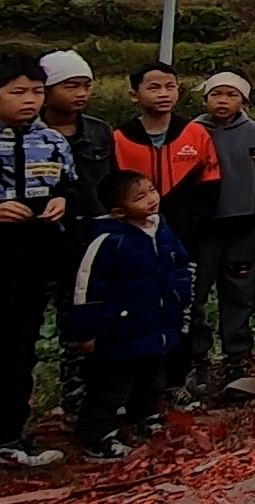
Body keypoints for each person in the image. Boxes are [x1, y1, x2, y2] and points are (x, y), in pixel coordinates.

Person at [114, 62, 221, 403]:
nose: (163, 94)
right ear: (135, 94)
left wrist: (192, 224)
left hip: (183, 240)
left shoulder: (195, 134)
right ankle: (136, 391)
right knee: (138, 310)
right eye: (154, 87)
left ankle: (176, 381)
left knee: (184, 308)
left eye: (170, 87)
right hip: (131, 240)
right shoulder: (119, 139)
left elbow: (210, 185)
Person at [66, 171, 192, 460]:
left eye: (152, 191)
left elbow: (180, 265)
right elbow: (86, 289)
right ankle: (97, 436)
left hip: (158, 321)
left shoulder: (162, 227)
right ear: (117, 210)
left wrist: (181, 300)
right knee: (112, 385)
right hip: (120, 328)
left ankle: (145, 416)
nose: (151, 200)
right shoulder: (108, 240)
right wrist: (85, 332)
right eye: (140, 197)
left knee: (152, 376)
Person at [0, 54, 78, 469]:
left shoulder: (51, 140)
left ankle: (10, 437)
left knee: (20, 348)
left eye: (35, 92)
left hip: (34, 256)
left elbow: (69, 184)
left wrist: (63, 199)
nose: (29, 100)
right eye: (17, 92)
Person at [39, 49, 115, 421]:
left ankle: (80, 399)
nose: (80, 93)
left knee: (83, 322)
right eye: (70, 86)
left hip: (91, 236)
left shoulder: (100, 131)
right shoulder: (23, 134)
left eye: (86, 85)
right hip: (38, 238)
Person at [191, 72, 255, 391]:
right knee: (195, 295)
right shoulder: (192, 131)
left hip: (242, 227)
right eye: (216, 94)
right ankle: (196, 359)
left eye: (231, 95)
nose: (222, 101)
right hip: (203, 231)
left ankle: (237, 358)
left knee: (240, 293)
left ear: (243, 101)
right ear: (205, 99)